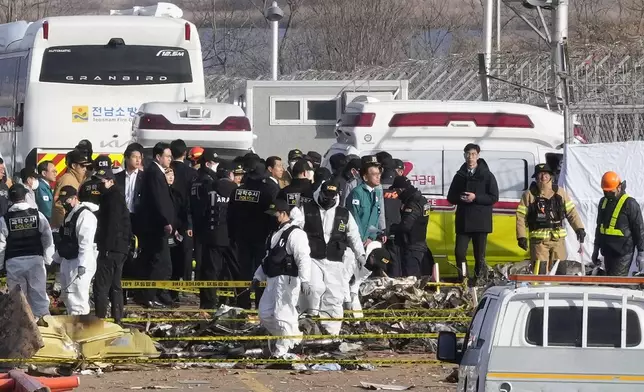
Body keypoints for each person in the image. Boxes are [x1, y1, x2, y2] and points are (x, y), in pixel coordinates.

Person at [299, 181, 365, 335]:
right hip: (312, 257)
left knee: (335, 295)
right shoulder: (306, 210)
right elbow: (295, 229)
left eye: (332, 196)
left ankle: (331, 331)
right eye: (325, 195)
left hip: (335, 259)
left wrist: (360, 254)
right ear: (320, 193)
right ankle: (308, 320)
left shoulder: (344, 213)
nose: (328, 199)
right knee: (314, 288)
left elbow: (354, 236)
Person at [251, 199, 312, 357]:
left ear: (284, 214)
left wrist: (305, 279)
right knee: (265, 313)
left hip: (287, 280)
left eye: (275, 214)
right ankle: (292, 339)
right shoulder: (274, 233)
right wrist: (257, 277)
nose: (272, 217)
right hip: (272, 279)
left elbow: (303, 258)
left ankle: (283, 349)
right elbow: (268, 258)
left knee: (283, 315)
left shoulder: (296, 233)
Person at [516, 164, 585, 274]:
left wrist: (579, 228)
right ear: (536, 177)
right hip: (539, 242)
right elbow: (520, 217)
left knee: (560, 272)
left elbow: (572, 212)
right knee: (540, 273)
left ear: (551, 177)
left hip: (558, 240)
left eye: (545, 175)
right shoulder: (529, 195)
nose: (543, 177)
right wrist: (521, 236)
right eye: (540, 175)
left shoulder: (560, 193)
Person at [446, 143, 499, 284]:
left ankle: (478, 279)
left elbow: (494, 197)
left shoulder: (487, 175)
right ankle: (463, 278)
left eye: (473, 154)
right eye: (468, 154)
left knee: (479, 255)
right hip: (463, 221)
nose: (471, 157)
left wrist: (476, 197)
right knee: (459, 252)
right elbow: (450, 197)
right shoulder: (460, 175)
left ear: (478, 156)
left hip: (481, 222)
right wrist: (460, 198)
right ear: (464, 156)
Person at [227, 160, 277, 309]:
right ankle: (261, 303)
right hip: (262, 237)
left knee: (243, 271)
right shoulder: (267, 192)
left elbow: (230, 215)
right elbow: (273, 216)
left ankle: (243, 303)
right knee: (261, 272)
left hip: (241, 238)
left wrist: (232, 235)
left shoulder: (237, 191)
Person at [191, 151, 238, 308]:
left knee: (210, 270)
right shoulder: (235, 190)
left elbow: (201, 211)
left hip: (211, 235)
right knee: (230, 271)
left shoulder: (210, 187)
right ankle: (230, 300)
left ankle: (209, 302)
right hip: (230, 237)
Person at [0, 184, 54, 318]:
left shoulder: (4, 219)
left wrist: (1, 266)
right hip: (35, 260)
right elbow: (47, 237)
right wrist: (48, 259)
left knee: (18, 298)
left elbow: (1, 245)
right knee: (39, 296)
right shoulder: (38, 215)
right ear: (25, 196)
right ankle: (44, 328)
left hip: (14, 262)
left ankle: (22, 329)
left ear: (10, 199)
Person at [137, 142, 175, 308]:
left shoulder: (157, 172)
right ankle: (150, 295)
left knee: (158, 260)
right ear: (158, 157)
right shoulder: (154, 173)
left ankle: (155, 294)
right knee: (160, 262)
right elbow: (158, 200)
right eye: (167, 156)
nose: (170, 159)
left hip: (156, 224)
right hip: (156, 225)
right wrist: (165, 221)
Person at [93, 166, 131, 323]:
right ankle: (118, 319)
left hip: (112, 249)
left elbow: (112, 226)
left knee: (101, 286)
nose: (98, 186)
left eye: (101, 182)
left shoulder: (112, 198)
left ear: (110, 181)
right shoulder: (115, 196)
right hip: (120, 249)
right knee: (115, 286)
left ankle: (100, 320)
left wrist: (106, 248)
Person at [53, 185, 97, 315]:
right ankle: (73, 326)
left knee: (78, 298)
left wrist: (82, 264)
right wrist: (55, 258)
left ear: (75, 198)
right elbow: (66, 240)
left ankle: (80, 328)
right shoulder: (69, 216)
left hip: (79, 261)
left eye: (66, 200)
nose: (64, 203)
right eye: (62, 201)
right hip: (68, 260)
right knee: (68, 297)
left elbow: (85, 243)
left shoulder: (85, 216)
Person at [592, 171, 644, 276]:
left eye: (610, 192)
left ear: (619, 187)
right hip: (607, 250)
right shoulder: (604, 202)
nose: (607, 194)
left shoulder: (630, 204)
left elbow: (639, 229)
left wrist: (641, 252)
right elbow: (599, 227)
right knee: (609, 282)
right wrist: (596, 249)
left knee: (616, 284)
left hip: (623, 252)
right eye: (605, 192)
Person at [115, 143, 144, 302]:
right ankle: (122, 290)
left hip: (138, 218)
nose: (138, 160)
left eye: (140, 158)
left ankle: (135, 290)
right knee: (123, 253)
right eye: (134, 157)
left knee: (137, 253)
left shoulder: (144, 177)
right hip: (122, 219)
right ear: (127, 158)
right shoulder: (118, 177)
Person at [389, 176, 432, 277]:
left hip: (412, 244)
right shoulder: (420, 199)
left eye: (396, 191)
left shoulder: (413, 203)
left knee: (410, 277)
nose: (396, 194)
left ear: (401, 189)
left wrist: (391, 229)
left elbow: (406, 225)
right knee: (414, 275)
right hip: (418, 243)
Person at [169, 139, 198, 289]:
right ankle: (186, 283)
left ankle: (171, 285)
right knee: (186, 252)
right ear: (185, 153)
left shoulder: (167, 170)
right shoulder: (192, 173)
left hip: (169, 217)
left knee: (170, 251)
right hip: (187, 219)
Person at [52, 149, 91, 230]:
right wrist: (65, 226)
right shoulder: (67, 180)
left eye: (86, 166)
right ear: (73, 166)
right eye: (82, 166)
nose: (85, 169)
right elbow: (59, 205)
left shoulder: (75, 179)